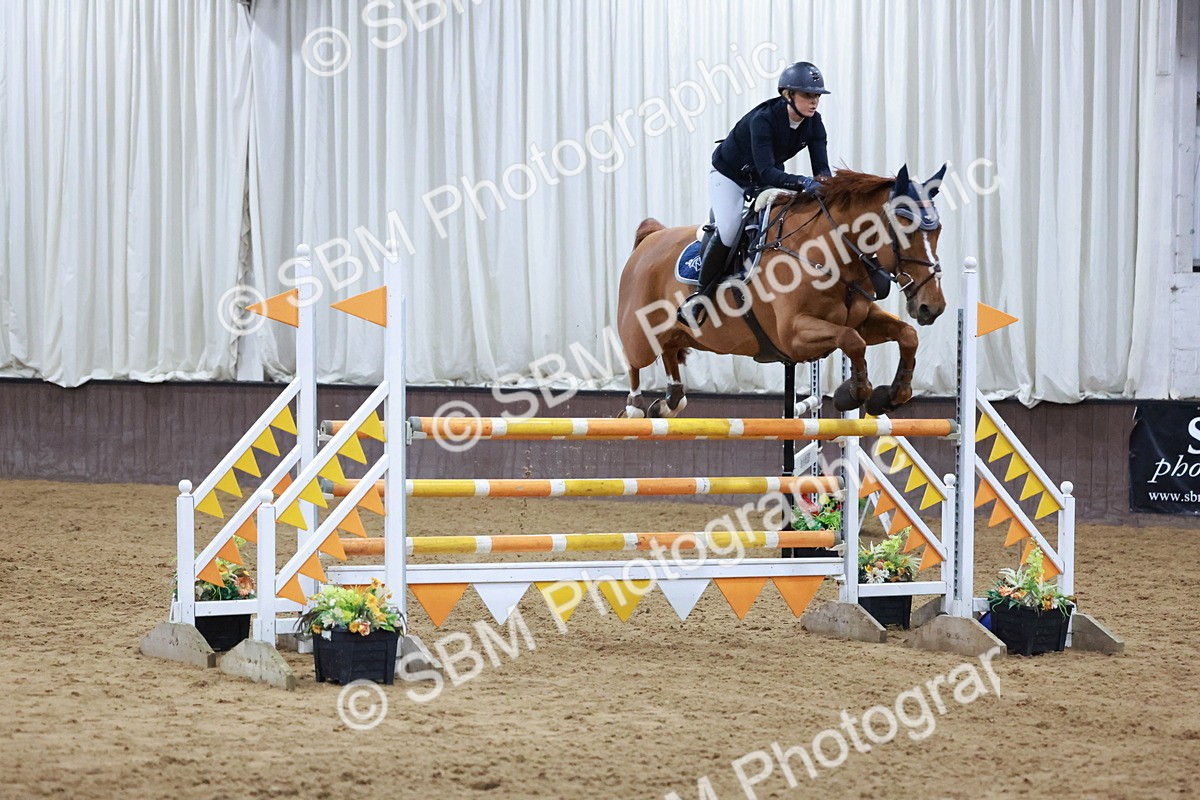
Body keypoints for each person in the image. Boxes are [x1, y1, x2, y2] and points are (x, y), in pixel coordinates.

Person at [679, 61, 832, 324]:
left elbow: (822, 170)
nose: (814, 101)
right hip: (729, 175)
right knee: (729, 229)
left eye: (817, 95)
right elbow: (768, 172)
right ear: (788, 95)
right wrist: (803, 181)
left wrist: (828, 187)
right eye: (807, 95)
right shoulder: (763, 119)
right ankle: (699, 297)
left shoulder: (814, 123)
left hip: (762, 177)